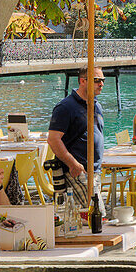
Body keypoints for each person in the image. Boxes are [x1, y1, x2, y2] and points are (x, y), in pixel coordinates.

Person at [47, 65, 105, 206]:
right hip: (78, 171)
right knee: (95, 216)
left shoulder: (96, 105)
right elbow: (53, 139)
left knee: (89, 218)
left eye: (103, 80)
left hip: (94, 170)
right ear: (82, 81)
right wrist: (73, 164)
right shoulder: (66, 107)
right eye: (96, 80)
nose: (101, 84)